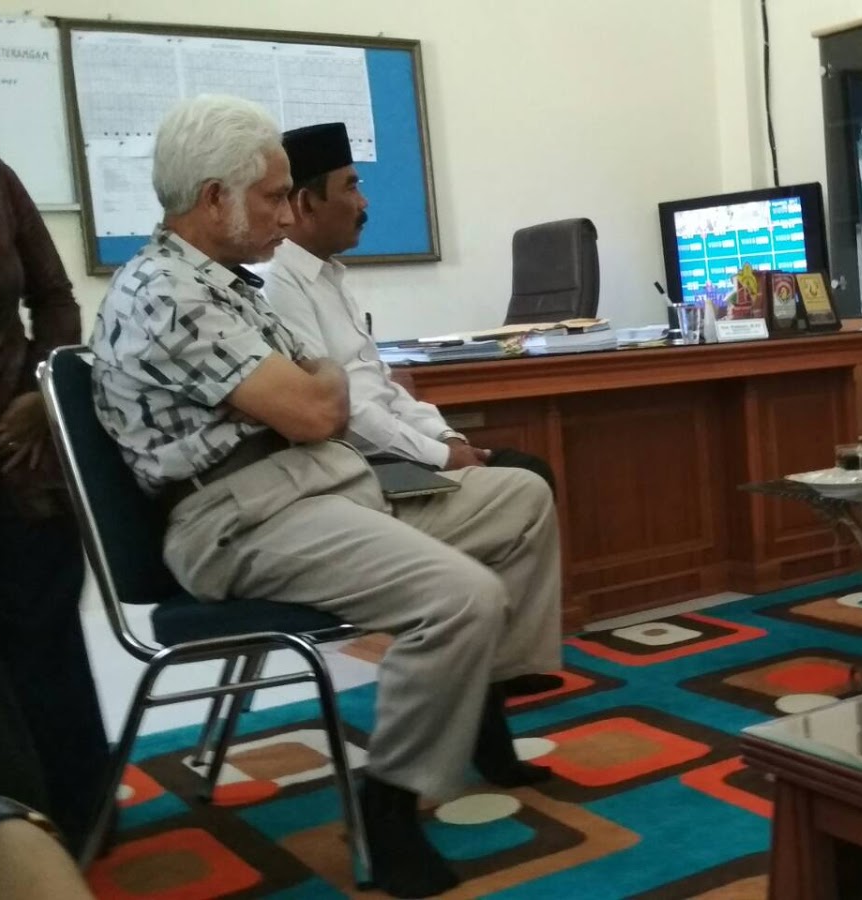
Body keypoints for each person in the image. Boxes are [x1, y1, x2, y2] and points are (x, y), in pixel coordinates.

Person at [88, 95, 561, 899]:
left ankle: (475, 704)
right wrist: (317, 385)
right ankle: (389, 801)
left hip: (315, 484)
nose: (286, 213)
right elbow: (317, 407)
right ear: (215, 198)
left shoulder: (225, 285)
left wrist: (317, 386)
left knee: (518, 498)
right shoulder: (167, 293)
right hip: (239, 516)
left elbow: (322, 392)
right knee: (461, 597)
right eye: (273, 197)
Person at [262, 123, 554, 488]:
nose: (363, 203)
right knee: (525, 481)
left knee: (527, 469)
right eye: (351, 187)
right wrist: (442, 456)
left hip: (393, 448)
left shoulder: (328, 276)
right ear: (306, 204)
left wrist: (447, 438)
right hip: (358, 465)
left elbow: (382, 388)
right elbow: (342, 412)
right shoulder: (278, 282)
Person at [0, 149, 108, 848]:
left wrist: (42, 391)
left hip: (19, 456)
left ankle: (81, 821)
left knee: (45, 647)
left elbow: (56, 298)